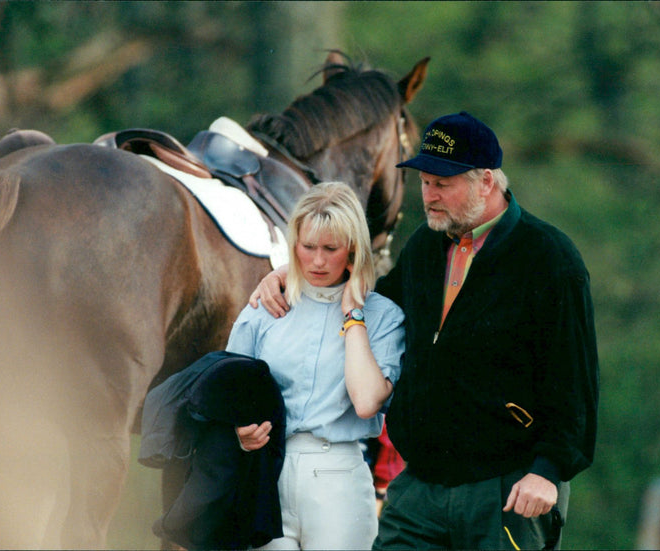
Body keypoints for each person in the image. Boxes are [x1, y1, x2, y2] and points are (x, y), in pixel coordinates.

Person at [251, 112, 599, 550]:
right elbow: (368, 302)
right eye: (424, 182)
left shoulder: (549, 258)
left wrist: (548, 471)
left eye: (442, 184)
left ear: (486, 182)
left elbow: (576, 382)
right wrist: (292, 275)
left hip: (508, 488)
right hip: (418, 489)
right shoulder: (425, 247)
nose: (429, 196)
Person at [226, 181, 405, 550]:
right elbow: (227, 393)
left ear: (352, 248)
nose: (318, 261)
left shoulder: (383, 316)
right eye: (308, 247)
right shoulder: (265, 306)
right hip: (265, 473)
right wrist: (236, 431)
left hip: (338, 476)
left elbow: (367, 401)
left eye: (330, 248)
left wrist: (353, 314)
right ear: (293, 245)